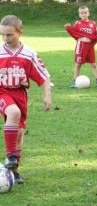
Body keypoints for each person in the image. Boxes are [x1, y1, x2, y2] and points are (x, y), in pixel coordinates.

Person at [0, 15, 52, 184]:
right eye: (3, 35)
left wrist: (47, 96)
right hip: (2, 91)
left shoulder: (28, 54)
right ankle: (10, 157)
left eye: (10, 35)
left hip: (20, 94)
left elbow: (44, 76)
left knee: (19, 133)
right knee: (13, 112)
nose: (6, 38)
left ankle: (13, 171)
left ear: (20, 33)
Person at [65, 5, 97, 89]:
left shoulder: (92, 23)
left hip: (90, 46)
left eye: (85, 13)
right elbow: (75, 33)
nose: (84, 14)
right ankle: (75, 81)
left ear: (88, 13)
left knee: (93, 64)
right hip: (81, 46)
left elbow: (96, 34)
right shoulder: (77, 23)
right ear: (79, 14)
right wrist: (68, 28)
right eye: (82, 13)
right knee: (78, 64)